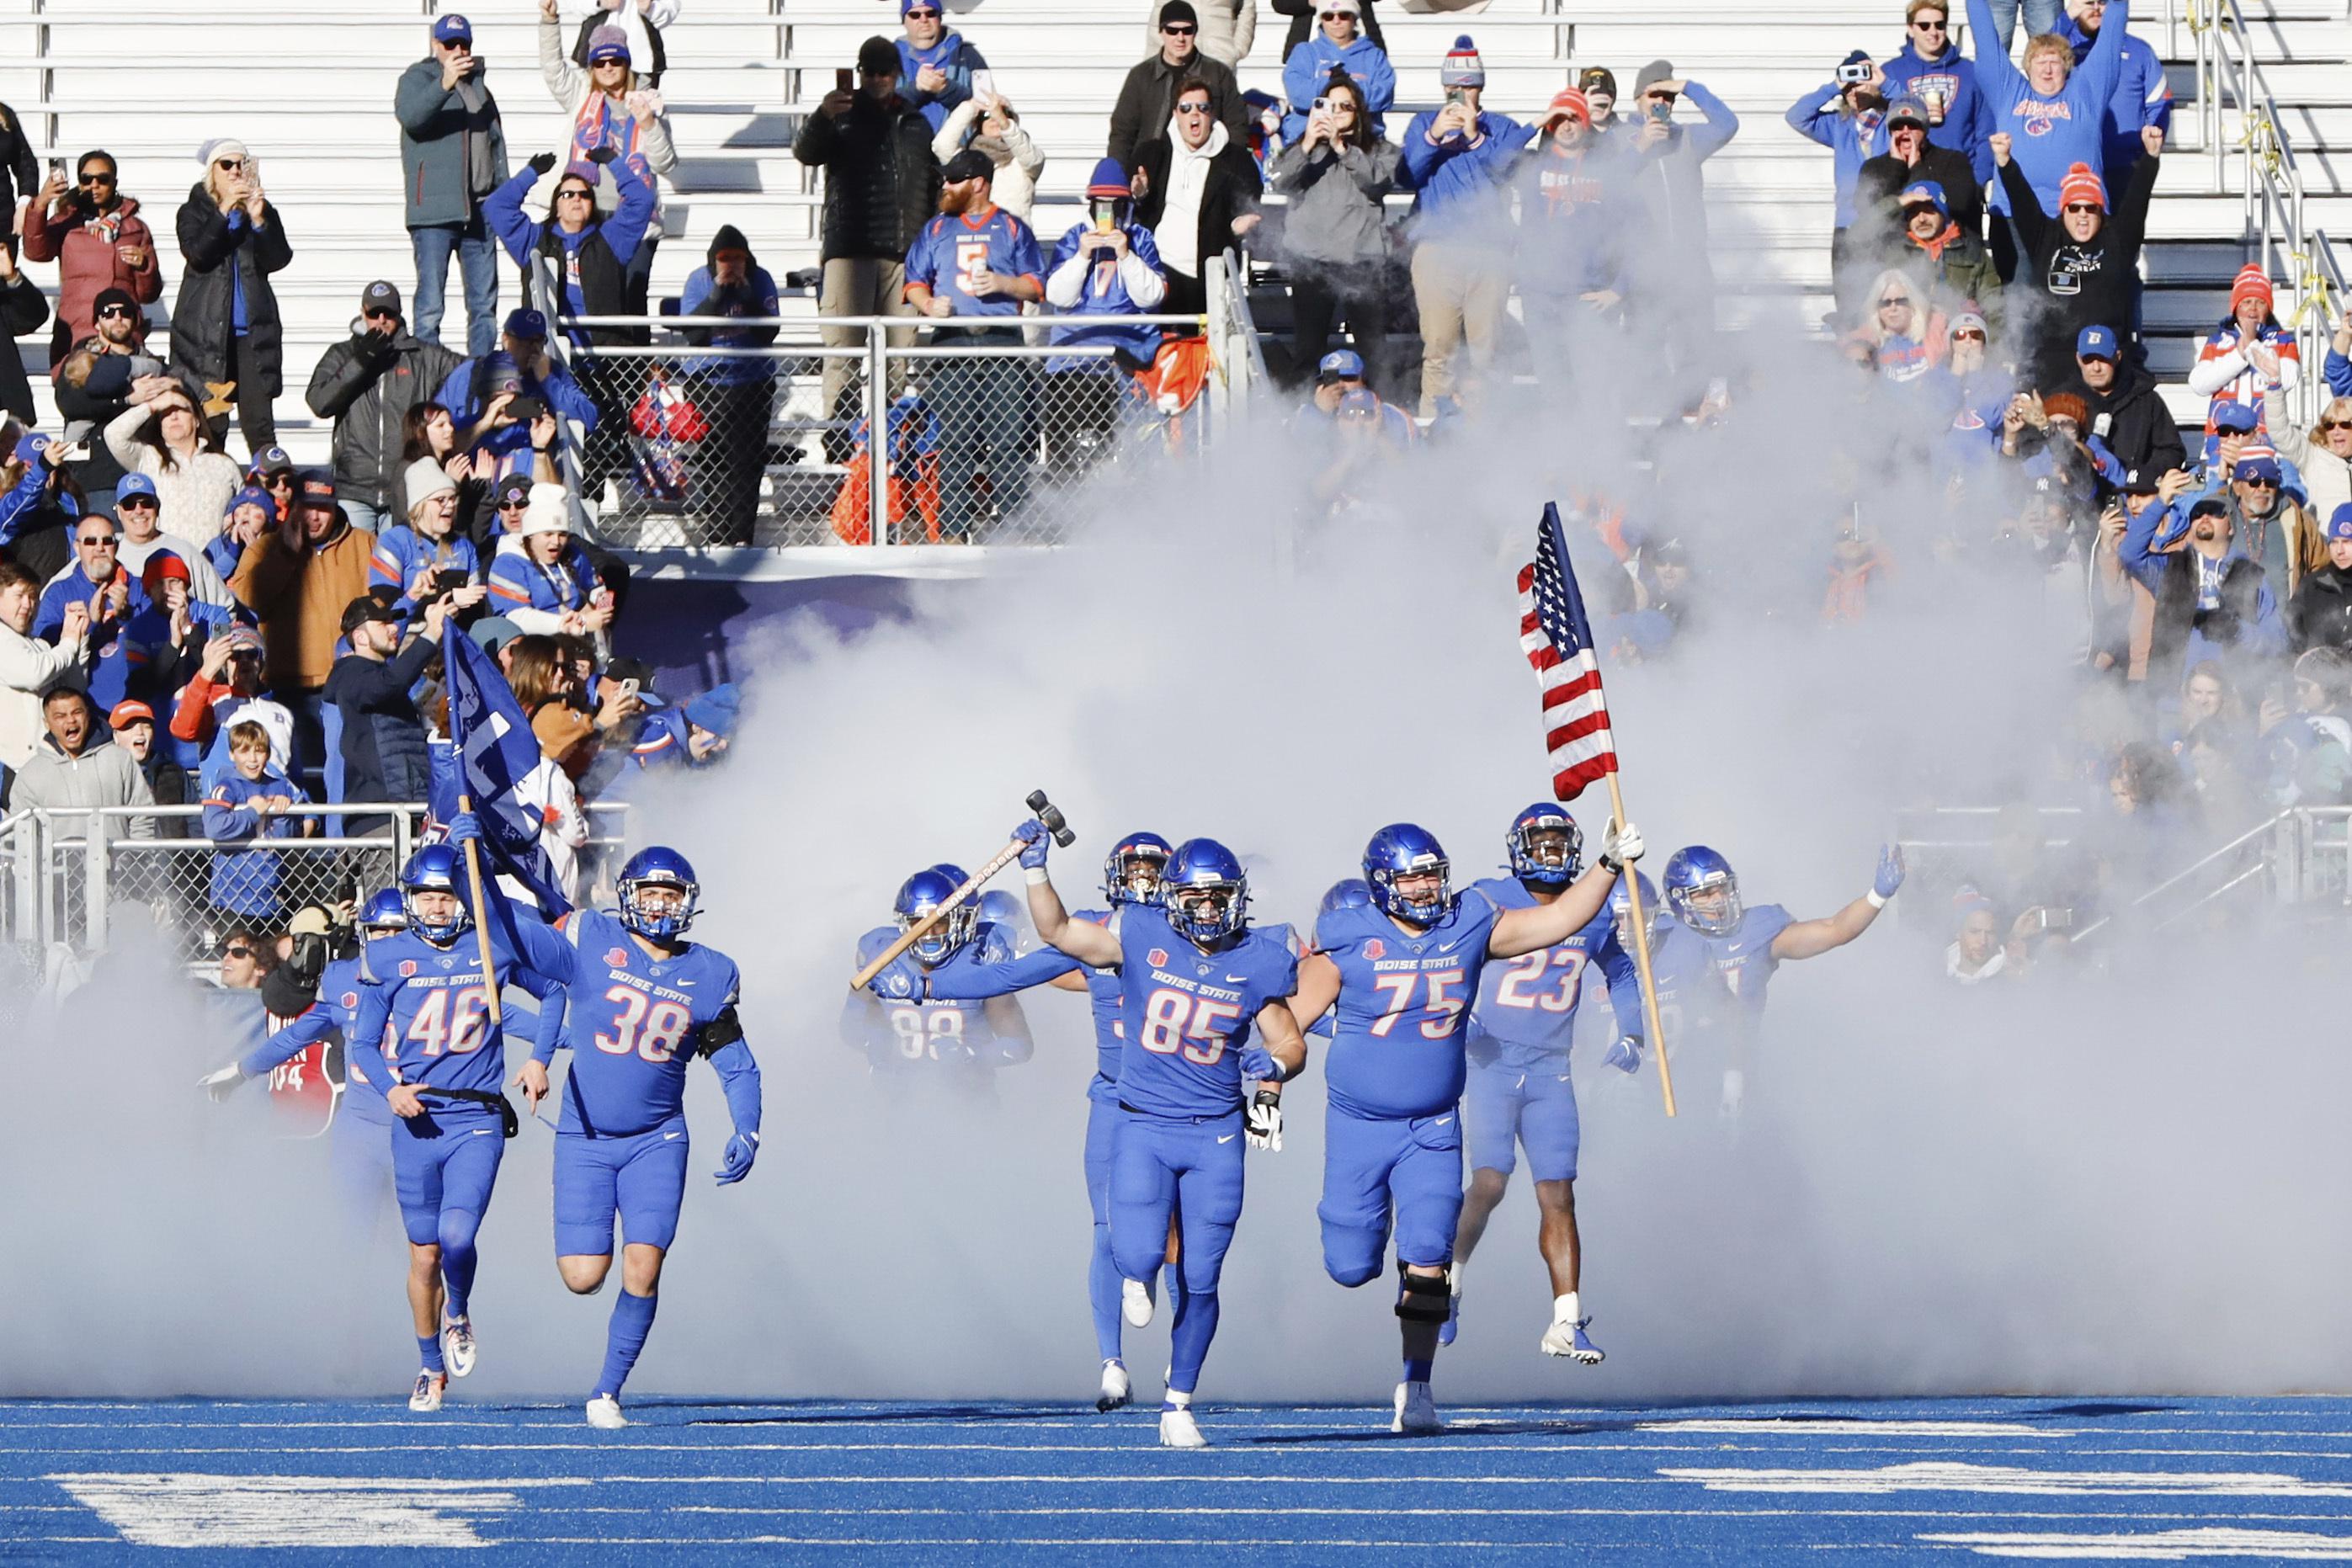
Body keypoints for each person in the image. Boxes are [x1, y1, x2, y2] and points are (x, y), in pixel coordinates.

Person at [1285, 819, 1641, 1434]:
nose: (1425, 889)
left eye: (1431, 875)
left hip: (1434, 1123)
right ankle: (1381, 1283)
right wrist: (1265, 1074)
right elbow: (1292, 1017)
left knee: (1427, 1261)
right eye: (1411, 878)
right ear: (1381, 883)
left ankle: (1416, 1386)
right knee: (1350, 1266)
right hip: (1360, 1125)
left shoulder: (1468, 920)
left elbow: (1555, 923)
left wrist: (1606, 865)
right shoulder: (1348, 933)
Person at [456, 829, 763, 1431]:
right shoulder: (593, 939)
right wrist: (481, 877)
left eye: (670, 894)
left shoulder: (709, 972)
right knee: (582, 1276)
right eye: (649, 891)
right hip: (586, 1136)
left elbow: (736, 1062)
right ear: (626, 895)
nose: (658, 904)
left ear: (689, 901)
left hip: (657, 1137)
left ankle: (607, 1390)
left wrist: (748, 1126)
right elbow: (510, 933)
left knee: (643, 1264)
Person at [1016, 827, 1306, 1449]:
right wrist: (1037, 873)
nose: (1208, 910)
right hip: (1145, 1124)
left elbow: (1289, 1039)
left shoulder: (1257, 957)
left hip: (1216, 1133)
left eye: (1218, 897)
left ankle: (1179, 1400)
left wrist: (1276, 1071)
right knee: (1140, 1255)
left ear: (1237, 898)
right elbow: (1060, 933)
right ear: (1172, 898)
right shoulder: (1139, 932)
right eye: (1196, 898)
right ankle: (1135, 1277)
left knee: (1202, 1276)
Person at [925, 831, 1173, 1411]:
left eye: (1152, 868)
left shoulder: (1188, 938)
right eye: (1132, 867)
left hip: (1179, 1103)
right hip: (1116, 1096)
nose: (1141, 878)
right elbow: (1013, 974)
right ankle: (1112, 1363)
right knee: (1106, 1225)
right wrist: (930, 985)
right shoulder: (1098, 935)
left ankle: (1179, 1363)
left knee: (1179, 1239)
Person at [1445, 806, 1644, 1364]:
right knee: (1489, 1182)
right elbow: (1444, 957)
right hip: (1492, 1063)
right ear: (1519, 847)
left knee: (1559, 1193)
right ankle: (1449, 1285)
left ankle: (1566, 1320)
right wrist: (1462, 1016)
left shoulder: (1591, 905)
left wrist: (1632, 1032)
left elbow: (1623, 971)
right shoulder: (1486, 897)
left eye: (1561, 842)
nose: (1553, 852)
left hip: (1551, 1068)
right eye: (1544, 842)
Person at [343, 845, 519, 1412]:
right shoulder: (389, 956)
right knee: (422, 1255)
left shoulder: (490, 948)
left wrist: (542, 1052)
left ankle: (459, 1310)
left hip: (475, 1115)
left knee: (457, 1237)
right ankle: (428, 1365)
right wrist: (389, 1087)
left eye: (447, 895)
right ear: (411, 898)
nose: (438, 906)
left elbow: (558, 987)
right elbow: (364, 1042)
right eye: (427, 896)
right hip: (416, 1120)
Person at [1644, 845, 1904, 1117]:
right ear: (1679, 900)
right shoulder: (1663, 937)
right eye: (1706, 894)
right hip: (1674, 1081)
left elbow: (1834, 930)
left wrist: (1877, 896)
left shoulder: (1754, 929)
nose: (1719, 900)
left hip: (1743, 1073)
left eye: (1723, 889)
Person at [203, 889, 412, 1221]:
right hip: (325, 1123)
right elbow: (291, 1027)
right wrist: (242, 1070)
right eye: (300, 944)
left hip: (369, 1117)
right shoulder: (320, 985)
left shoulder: (359, 980)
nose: (302, 953)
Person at [791, 39, 939, 460]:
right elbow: (804, 152)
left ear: (897, 74)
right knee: (844, 351)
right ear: (859, 74)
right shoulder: (842, 116)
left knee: (897, 356)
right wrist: (823, 116)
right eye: (869, 71)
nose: (876, 79)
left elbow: (928, 184)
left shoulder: (916, 122)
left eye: (884, 71)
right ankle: (840, 442)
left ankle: (891, 441)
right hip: (850, 251)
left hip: (903, 254)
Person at [903, 151, 1045, 541]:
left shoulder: (1011, 228)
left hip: (1002, 341)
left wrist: (1003, 284)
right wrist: (929, 304)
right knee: (954, 442)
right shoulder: (934, 230)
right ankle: (952, 533)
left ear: (978, 183)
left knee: (1007, 441)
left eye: (954, 180)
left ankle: (1017, 532)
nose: (945, 187)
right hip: (951, 343)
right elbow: (914, 281)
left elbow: (1036, 285)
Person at [1400, 38, 1534, 419]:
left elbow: (1505, 171)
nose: (1461, 94)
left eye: (1469, 86)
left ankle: (1487, 428)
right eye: (1454, 87)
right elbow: (1408, 174)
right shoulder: (1425, 123)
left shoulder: (1501, 127)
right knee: (1438, 348)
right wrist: (1433, 137)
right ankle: (1431, 428)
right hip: (1438, 250)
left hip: (1489, 251)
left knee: (1487, 351)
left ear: (1481, 87)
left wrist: (1475, 137)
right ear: (1444, 88)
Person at [840, 866, 1046, 1097]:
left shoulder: (980, 961)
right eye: (919, 923)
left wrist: (971, 1057)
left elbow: (1019, 1045)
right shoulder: (881, 960)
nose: (929, 934)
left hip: (969, 1099)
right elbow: (850, 1027)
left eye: (939, 923)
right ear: (904, 925)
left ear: (958, 921)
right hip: (899, 1098)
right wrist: (877, 1045)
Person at [1997, 127, 2162, 393]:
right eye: (2075, 207)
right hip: (2054, 363)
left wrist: (2151, 158)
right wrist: (2006, 163)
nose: (2082, 215)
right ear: (2064, 211)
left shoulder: (2117, 240)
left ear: (2101, 212)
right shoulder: (2046, 237)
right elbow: (2021, 199)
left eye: (2091, 208)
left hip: (2104, 361)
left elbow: (2137, 200)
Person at [538, 0, 677, 314]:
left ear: (627, 62)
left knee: (632, 297)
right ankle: (598, 365)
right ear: (592, 67)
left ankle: (635, 364)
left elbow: (665, 163)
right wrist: (549, 21)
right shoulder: (582, 97)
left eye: (615, 60)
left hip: (637, 218)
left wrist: (649, 126)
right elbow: (553, 70)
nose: (608, 68)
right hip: (591, 214)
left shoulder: (649, 99)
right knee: (597, 301)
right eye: (600, 63)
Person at [1967, 0, 2130, 262]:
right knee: (2017, 301)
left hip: (2077, 214)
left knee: (2073, 302)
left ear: (2067, 66)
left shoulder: (2087, 92)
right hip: (2013, 217)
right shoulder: (2008, 91)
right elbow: (1985, 39)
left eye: (2054, 61)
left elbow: (2111, 38)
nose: (2047, 68)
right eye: (2039, 61)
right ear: (2027, 67)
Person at [1268, 75, 1398, 392]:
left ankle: (1382, 415)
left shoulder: (1381, 150)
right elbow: (1279, 181)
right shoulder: (1302, 150)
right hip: (1311, 262)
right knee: (1308, 350)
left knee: (1373, 350)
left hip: (1361, 260)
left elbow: (1377, 182)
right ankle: (1302, 417)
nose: (1337, 113)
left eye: (1346, 107)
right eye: (1330, 106)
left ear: (1359, 113)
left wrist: (1343, 148)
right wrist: (1308, 142)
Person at [306, 282, 466, 535]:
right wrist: (360, 362)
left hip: (406, 486)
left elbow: (472, 372)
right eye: (374, 313)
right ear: (363, 312)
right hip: (354, 489)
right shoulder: (342, 353)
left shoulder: (423, 356)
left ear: (399, 315)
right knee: (358, 570)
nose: (381, 320)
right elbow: (319, 402)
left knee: (401, 571)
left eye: (389, 314)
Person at [396, 13, 509, 358]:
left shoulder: (479, 88)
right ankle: (428, 380)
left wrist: (503, 201)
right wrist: (443, 83)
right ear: (435, 45)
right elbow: (411, 117)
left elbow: (496, 146)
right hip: (434, 213)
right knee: (430, 306)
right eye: (450, 44)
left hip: (481, 210)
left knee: (484, 306)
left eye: (464, 44)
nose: (458, 50)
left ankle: (480, 379)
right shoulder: (417, 78)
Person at [1620, 62, 1740, 381]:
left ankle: (1688, 414)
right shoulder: (1620, 137)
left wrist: (1688, 87)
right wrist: (1641, 144)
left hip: (1691, 263)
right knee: (1644, 348)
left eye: (1668, 97)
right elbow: (1610, 182)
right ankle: (1646, 417)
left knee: (1697, 346)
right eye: (1654, 95)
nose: (1662, 103)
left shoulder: (1687, 137)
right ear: (1638, 99)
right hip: (1643, 266)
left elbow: (1727, 124)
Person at [1042, 162, 1168, 467]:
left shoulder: (1140, 239)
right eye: (1101, 204)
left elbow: (1152, 296)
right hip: (1076, 362)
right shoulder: (1074, 239)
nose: (1108, 212)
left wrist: (1126, 255)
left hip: (1131, 358)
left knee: (1132, 449)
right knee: (1071, 448)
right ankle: (1067, 496)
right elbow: (1058, 295)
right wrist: (1082, 257)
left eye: (1115, 204)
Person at [173, 140, 293, 456]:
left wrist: (259, 221)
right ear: (212, 171)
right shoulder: (193, 211)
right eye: (227, 164)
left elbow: (278, 260)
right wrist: (223, 210)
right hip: (209, 335)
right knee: (213, 426)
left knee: (260, 425)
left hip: (251, 334)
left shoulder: (261, 211)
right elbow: (198, 255)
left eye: (242, 163)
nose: (236, 170)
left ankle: (268, 495)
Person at [327, 593, 464, 837]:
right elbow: (387, 686)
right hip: (380, 820)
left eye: (392, 620)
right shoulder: (350, 672)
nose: (393, 628)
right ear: (359, 636)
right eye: (382, 623)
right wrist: (430, 633)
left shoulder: (381, 675)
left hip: (410, 811)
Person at [677, 226, 781, 545]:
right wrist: (717, 294)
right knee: (715, 462)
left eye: (738, 258)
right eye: (725, 259)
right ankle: (718, 536)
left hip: (752, 380)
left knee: (748, 464)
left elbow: (769, 333)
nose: (733, 265)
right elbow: (694, 337)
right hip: (708, 382)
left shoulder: (760, 278)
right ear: (714, 261)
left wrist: (747, 295)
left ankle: (742, 537)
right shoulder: (699, 280)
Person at [2118, 494, 2290, 679]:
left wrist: (2237, 630)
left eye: (2215, 511)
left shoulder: (2252, 575)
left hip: (2233, 695)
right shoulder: (2169, 566)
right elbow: (2129, 554)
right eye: (2197, 513)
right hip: (2171, 696)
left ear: (2231, 527)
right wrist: (2161, 502)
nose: (2204, 517)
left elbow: (2278, 643)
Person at [23, 151, 163, 371]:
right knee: (81, 396)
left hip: (121, 332)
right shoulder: (66, 222)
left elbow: (149, 294)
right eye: (87, 179)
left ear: (114, 182)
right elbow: (35, 252)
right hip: (77, 329)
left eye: (103, 179)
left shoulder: (135, 228)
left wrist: (145, 267)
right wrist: (40, 204)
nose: (94, 185)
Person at [1134, 78, 1263, 317]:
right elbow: (1133, 208)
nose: (1195, 114)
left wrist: (1235, 225)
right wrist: (1140, 195)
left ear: (1211, 114)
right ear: (1175, 114)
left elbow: (1248, 201)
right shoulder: (1153, 153)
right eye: (1186, 108)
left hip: (1209, 272)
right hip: (1161, 269)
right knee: (1164, 348)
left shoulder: (1236, 159)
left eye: (1202, 108)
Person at [1785, 52, 1892, 322]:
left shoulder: (1894, 120)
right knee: (1850, 305)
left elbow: (1919, 112)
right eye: (1849, 82)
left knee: (1890, 304)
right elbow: (1796, 117)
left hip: (1889, 225)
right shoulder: (1838, 125)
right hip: (1848, 226)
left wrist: (1885, 83)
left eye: (1861, 79)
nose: (1855, 88)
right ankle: (1853, 360)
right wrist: (1834, 86)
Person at [200, 718, 314, 929]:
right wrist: (252, 813)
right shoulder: (226, 786)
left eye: (259, 751)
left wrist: (281, 814)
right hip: (232, 899)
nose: (252, 759)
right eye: (244, 751)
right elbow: (214, 827)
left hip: (272, 896)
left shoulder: (280, 786)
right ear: (232, 754)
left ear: (268, 754)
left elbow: (287, 840)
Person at [103, 383, 246, 545]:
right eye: (166, 412)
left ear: (197, 420)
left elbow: (243, 506)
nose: (174, 416)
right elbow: (113, 435)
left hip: (214, 565)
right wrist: (152, 406)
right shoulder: (147, 457)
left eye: (181, 409)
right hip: (165, 563)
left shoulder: (225, 465)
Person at [1111, 4, 1247, 172]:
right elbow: (1122, 133)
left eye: (1187, 30)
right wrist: (1118, 176)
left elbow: (1237, 127)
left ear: (1195, 32)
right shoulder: (1141, 76)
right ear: (1161, 32)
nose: (1180, 38)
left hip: (1204, 169)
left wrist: (1226, 173)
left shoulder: (1218, 74)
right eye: (1172, 31)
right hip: (1150, 171)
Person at [1856, 97, 1984, 271]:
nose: (1905, 133)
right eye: (1898, 127)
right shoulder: (1873, 167)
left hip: (1948, 259)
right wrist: (1897, 167)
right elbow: (1870, 216)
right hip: (1891, 260)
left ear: (1925, 130)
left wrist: (1917, 169)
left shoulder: (1953, 161)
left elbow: (1959, 205)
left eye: (1913, 126)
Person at [10, 685, 156, 837]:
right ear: (47, 723)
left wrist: (137, 856)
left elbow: (142, 817)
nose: (71, 720)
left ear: (87, 715)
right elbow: (21, 832)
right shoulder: (31, 773)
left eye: (77, 712)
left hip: (118, 860)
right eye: (60, 716)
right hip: (56, 862)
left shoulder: (119, 759)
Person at [1879, 3, 1993, 192]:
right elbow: (1877, 132)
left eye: (1939, 25)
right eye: (1924, 26)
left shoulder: (1971, 72)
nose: (1933, 32)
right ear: (1910, 28)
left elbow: (1986, 133)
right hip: (1907, 182)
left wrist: (1977, 182)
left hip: (1959, 181)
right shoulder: (1891, 72)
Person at [2058, 0, 2171, 183]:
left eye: (2102, 3)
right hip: (2073, 165)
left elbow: (2159, 104)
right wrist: (2067, 16)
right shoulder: (2063, 48)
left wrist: (2147, 154)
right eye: (2088, 2)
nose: (2095, 9)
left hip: (2125, 165)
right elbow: (2038, 59)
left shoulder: (2140, 51)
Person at [2189, 264, 2300, 450]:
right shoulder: (2216, 341)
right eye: (2246, 302)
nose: (2253, 310)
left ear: (2269, 307)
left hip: (2266, 440)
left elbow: (2288, 380)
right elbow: (2199, 384)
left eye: (2260, 302)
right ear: (2235, 307)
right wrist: (2239, 354)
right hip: (2222, 439)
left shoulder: (2284, 341)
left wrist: (2252, 347)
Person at [0, 560, 87, 790]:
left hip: (50, 766)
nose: (28, 605)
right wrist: (68, 643)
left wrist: (79, 637)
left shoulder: (41, 646)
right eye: (19, 596)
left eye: (33, 597)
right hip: (12, 770)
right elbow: (34, 674)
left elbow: (75, 688)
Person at [488, 485, 609, 637]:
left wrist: (601, 610)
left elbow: (596, 586)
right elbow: (517, 618)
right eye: (548, 534)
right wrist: (576, 623)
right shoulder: (508, 564)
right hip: (534, 648)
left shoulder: (572, 554)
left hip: (576, 640)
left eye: (562, 534)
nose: (556, 542)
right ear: (531, 534)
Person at [371, 460, 486, 616]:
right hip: (408, 635)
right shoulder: (393, 541)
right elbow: (383, 603)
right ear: (420, 505)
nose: (450, 505)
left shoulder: (463, 546)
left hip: (454, 634)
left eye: (452, 498)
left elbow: (476, 603)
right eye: (441, 500)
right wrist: (449, 598)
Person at [1886, 180, 2000, 335]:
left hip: (1959, 339)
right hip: (1907, 343)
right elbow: (1857, 237)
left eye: (1929, 210)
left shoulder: (1972, 251)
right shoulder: (1895, 252)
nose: (1921, 219)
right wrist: (1898, 203)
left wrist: (1995, 354)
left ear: (1943, 214)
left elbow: (1994, 308)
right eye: (1913, 213)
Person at [2074, 322, 2184, 479]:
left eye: (2103, 359)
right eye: (2089, 360)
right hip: (2081, 496)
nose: (2096, 368)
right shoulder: (2065, 401)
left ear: (2117, 357)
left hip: (2134, 497)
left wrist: (2138, 477)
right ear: (2078, 359)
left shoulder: (2147, 400)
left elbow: (2172, 451)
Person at [1280, 0, 1394, 144]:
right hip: (1311, 141)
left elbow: (1383, 96)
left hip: (1363, 142)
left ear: (1354, 18)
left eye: (1344, 15)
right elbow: (1298, 95)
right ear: (1321, 20)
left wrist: (1341, 87)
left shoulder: (1374, 55)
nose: (1336, 21)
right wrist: (1340, 88)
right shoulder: (1304, 52)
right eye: (1328, 16)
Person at [932, 91, 1047, 225]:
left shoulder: (1023, 161)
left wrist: (1004, 123)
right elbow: (941, 145)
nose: (994, 119)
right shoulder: (965, 160)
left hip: (1011, 238)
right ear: (979, 124)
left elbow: (1032, 160)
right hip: (970, 235)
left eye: (1002, 113)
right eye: (987, 115)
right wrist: (970, 107)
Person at [895, 0, 992, 135]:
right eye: (915, 15)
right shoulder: (890, 58)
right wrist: (916, 89)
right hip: (905, 152)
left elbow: (986, 108)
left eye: (930, 13)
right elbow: (881, 108)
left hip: (958, 150)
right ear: (904, 21)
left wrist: (945, 89)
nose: (923, 20)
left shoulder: (967, 55)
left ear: (939, 17)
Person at [2288, 505, 2352, 652]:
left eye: (2347, 542)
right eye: (2334, 542)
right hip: (2318, 673)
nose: (2340, 551)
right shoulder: (2312, 586)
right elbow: (2290, 635)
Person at [1143, 0, 1255, 66]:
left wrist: (1239, 48)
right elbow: (1160, 11)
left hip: (1219, 57)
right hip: (1173, 59)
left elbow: (1247, 7)